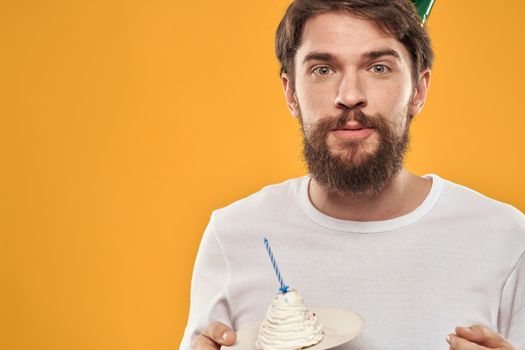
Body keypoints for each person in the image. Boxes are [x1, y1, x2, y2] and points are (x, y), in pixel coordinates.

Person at [180, 0, 525, 349]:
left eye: (378, 67)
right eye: (322, 70)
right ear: (291, 93)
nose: (349, 96)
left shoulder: (504, 239)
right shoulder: (234, 236)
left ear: (418, 91)